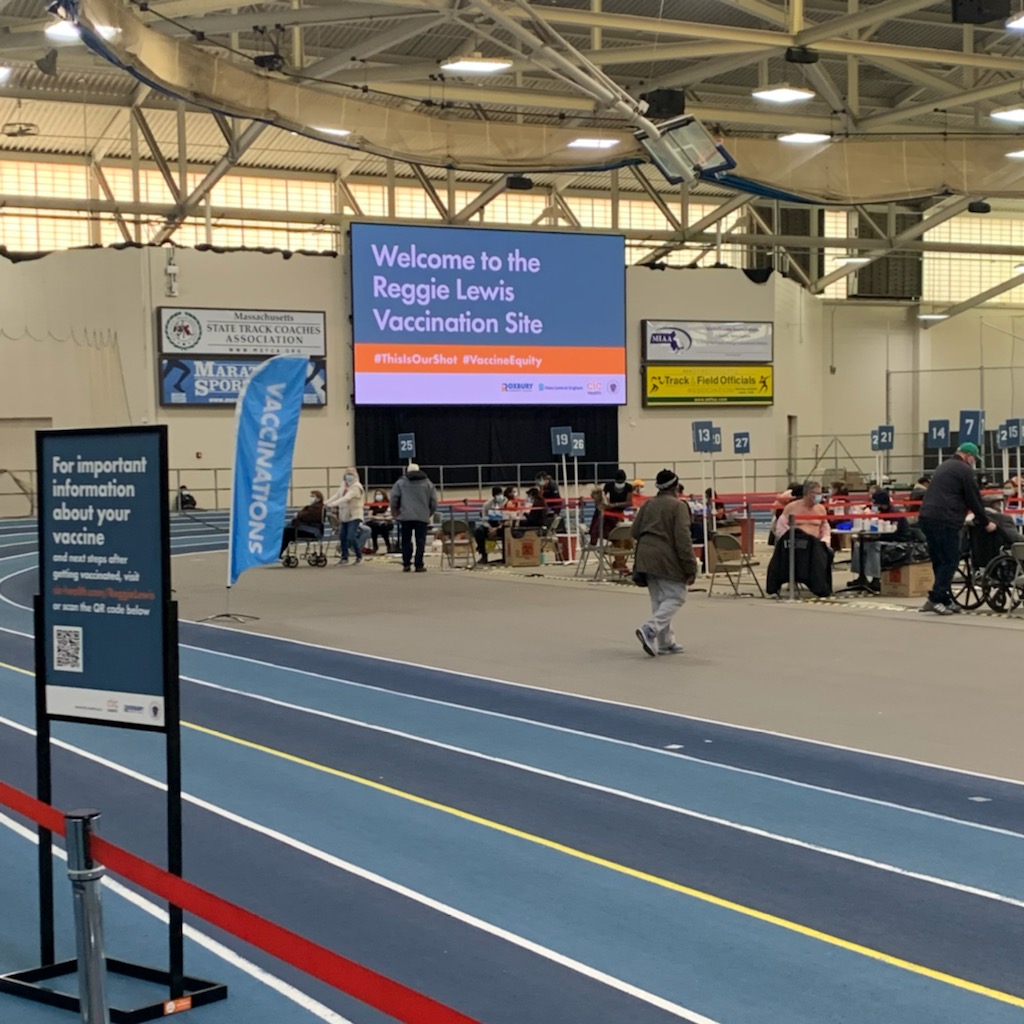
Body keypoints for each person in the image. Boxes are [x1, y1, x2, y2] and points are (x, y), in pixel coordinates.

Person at [918, 442, 995, 615]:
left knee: (939, 559)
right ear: (968, 456)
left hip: (927, 517)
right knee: (951, 560)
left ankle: (944, 597)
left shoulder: (943, 466)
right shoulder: (964, 470)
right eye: (974, 458)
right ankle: (936, 598)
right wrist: (985, 522)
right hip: (946, 519)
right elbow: (973, 498)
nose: (973, 462)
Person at [630, 469, 699, 658]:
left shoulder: (648, 504)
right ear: (676, 486)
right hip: (666, 557)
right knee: (677, 596)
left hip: (645, 556)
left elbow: (635, 531)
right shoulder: (679, 506)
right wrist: (690, 567)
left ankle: (665, 642)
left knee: (659, 599)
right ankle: (650, 629)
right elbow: (683, 539)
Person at [849, 489, 912, 592]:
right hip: (883, 537)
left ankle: (876, 578)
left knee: (874, 546)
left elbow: (893, 533)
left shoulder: (894, 514)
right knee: (858, 545)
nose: (873, 505)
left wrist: (876, 538)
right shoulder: (878, 512)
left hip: (897, 540)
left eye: (875, 502)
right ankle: (861, 576)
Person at [390, 462, 437, 573]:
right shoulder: (428, 483)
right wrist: (429, 513)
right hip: (422, 516)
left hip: (405, 516)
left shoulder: (400, 483)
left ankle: (406, 564)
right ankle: (419, 565)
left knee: (406, 540)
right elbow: (434, 501)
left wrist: (395, 512)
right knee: (420, 541)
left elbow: (394, 499)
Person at [326, 468, 366, 565]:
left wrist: (333, 504)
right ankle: (344, 557)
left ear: (355, 475)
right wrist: (326, 502)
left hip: (354, 515)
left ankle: (359, 556)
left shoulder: (357, 487)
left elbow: (347, 497)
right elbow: (337, 495)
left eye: (351, 474)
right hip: (344, 516)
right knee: (342, 536)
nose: (349, 476)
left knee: (350, 537)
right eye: (347, 474)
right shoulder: (343, 485)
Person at [776, 480, 830, 545]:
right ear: (807, 493)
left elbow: (825, 528)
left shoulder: (821, 509)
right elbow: (781, 527)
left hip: (815, 545)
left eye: (820, 493)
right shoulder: (791, 507)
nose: (819, 496)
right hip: (795, 544)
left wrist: (825, 540)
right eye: (817, 494)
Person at [279, 490, 325, 558]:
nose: (310, 498)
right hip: (309, 529)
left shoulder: (317, 508)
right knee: (287, 532)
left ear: (318, 498)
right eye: (310, 496)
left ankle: (278, 553)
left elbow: (306, 517)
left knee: (287, 532)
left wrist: (298, 515)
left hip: (312, 531)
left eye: (312, 496)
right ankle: (279, 552)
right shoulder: (313, 507)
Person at [474, 486, 508, 564]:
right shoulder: (487, 504)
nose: (499, 496)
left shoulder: (506, 502)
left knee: (507, 531)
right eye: (497, 494)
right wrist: (489, 527)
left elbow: (507, 517)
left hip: (501, 526)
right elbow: (484, 518)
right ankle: (484, 556)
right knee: (479, 531)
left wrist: (497, 529)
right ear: (493, 496)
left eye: (500, 494)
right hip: (490, 526)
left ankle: (505, 556)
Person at [365, 488, 394, 554]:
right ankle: (385, 545)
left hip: (386, 523)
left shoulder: (388, 504)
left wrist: (381, 517)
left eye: (380, 494)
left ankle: (382, 546)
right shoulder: (373, 505)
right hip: (376, 522)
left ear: (384, 495)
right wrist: (380, 517)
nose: (378, 496)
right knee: (375, 527)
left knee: (382, 527)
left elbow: (391, 516)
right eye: (377, 494)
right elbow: (370, 516)